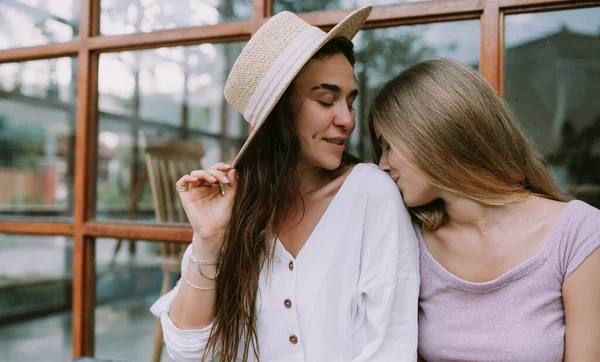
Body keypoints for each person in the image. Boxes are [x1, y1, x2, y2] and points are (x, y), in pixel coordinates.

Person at [150, 6, 420, 362]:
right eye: (326, 100)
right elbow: (186, 349)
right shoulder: (236, 206)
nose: (346, 119)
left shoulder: (370, 193)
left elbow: (391, 346)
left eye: (349, 102)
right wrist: (208, 239)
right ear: (280, 110)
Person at [369, 57, 600, 362]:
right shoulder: (410, 240)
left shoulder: (577, 232)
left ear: (434, 133)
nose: (382, 165)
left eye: (388, 146)